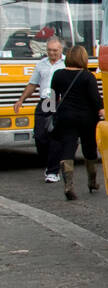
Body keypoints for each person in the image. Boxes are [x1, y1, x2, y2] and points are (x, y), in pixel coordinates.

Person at [47, 45, 104, 201]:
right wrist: (102, 110)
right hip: (87, 118)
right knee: (89, 149)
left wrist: (53, 113)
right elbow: (95, 99)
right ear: (83, 58)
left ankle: (68, 185)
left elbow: (52, 97)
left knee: (68, 148)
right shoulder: (87, 76)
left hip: (66, 117)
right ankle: (92, 181)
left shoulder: (58, 75)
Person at [11, 35, 65, 183]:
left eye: (55, 50)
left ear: (61, 49)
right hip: (44, 102)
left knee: (55, 137)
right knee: (40, 136)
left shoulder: (67, 63)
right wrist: (21, 100)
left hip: (59, 102)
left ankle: (53, 171)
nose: (52, 53)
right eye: (49, 50)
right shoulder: (41, 64)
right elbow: (32, 84)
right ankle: (50, 163)